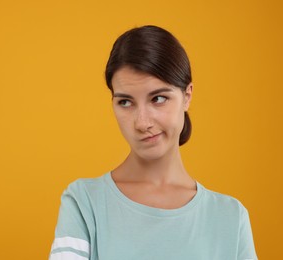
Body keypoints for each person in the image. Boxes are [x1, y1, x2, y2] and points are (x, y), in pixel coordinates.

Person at [49, 25, 258, 260]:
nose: (142, 122)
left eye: (158, 99)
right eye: (126, 102)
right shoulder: (84, 202)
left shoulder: (230, 218)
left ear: (187, 96)